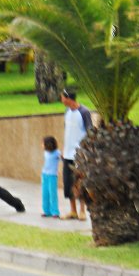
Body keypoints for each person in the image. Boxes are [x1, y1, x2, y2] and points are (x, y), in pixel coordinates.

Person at [60, 89, 93, 221]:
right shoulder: (67, 112)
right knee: (68, 183)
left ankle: (82, 211)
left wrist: (87, 151)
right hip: (67, 154)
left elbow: (90, 132)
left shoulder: (84, 112)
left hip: (79, 154)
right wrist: (64, 149)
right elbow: (67, 131)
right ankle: (72, 211)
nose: (61, 100)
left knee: (79, 182)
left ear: (68, 98)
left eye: (62, 97)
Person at [41, 136, 61, 218]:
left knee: (53, 194)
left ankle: (55, 212)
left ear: (48, 144)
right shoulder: (45, 153)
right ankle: (46, 211)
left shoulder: (57, 153)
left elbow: (62, 159)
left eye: (43, 143)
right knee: (45, 193)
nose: (41, 145)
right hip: (44, 175)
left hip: (52, 176)